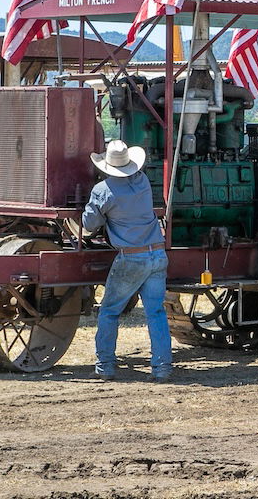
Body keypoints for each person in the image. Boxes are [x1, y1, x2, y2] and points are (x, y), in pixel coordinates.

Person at [81, 139, 172, 381]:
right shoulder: (142, 182)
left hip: (132, 258)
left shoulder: (103, 191)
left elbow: (89, 224)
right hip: (157, 253)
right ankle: (162, 369)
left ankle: (105, 367)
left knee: (109, 312)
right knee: (156, 312)